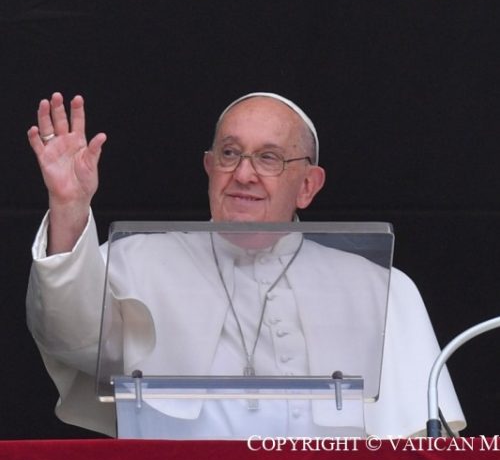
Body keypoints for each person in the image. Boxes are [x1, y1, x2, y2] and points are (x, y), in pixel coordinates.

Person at [26, 92, 466, 438]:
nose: (243, 174)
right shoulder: (136, 262)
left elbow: (422, 445)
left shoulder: (379, 289)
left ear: (307, 186)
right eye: (230, 153)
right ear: (209, 167)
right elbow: (68, 336)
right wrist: (69, 206)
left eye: (269, 157)